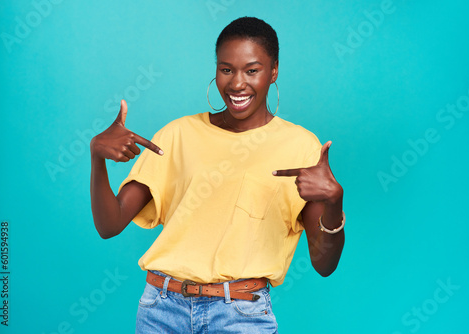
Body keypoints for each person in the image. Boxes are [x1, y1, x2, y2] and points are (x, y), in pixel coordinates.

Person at [90, 16, 345, 334]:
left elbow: (324, 265)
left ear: (274, 70)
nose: (237, 83)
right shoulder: (178, 134)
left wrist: (334, 202)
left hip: (241, 315)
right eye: (226, 69)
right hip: (161, 310)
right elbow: (109, 225)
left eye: (252, 70)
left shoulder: (301, 146)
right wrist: (96, 157)